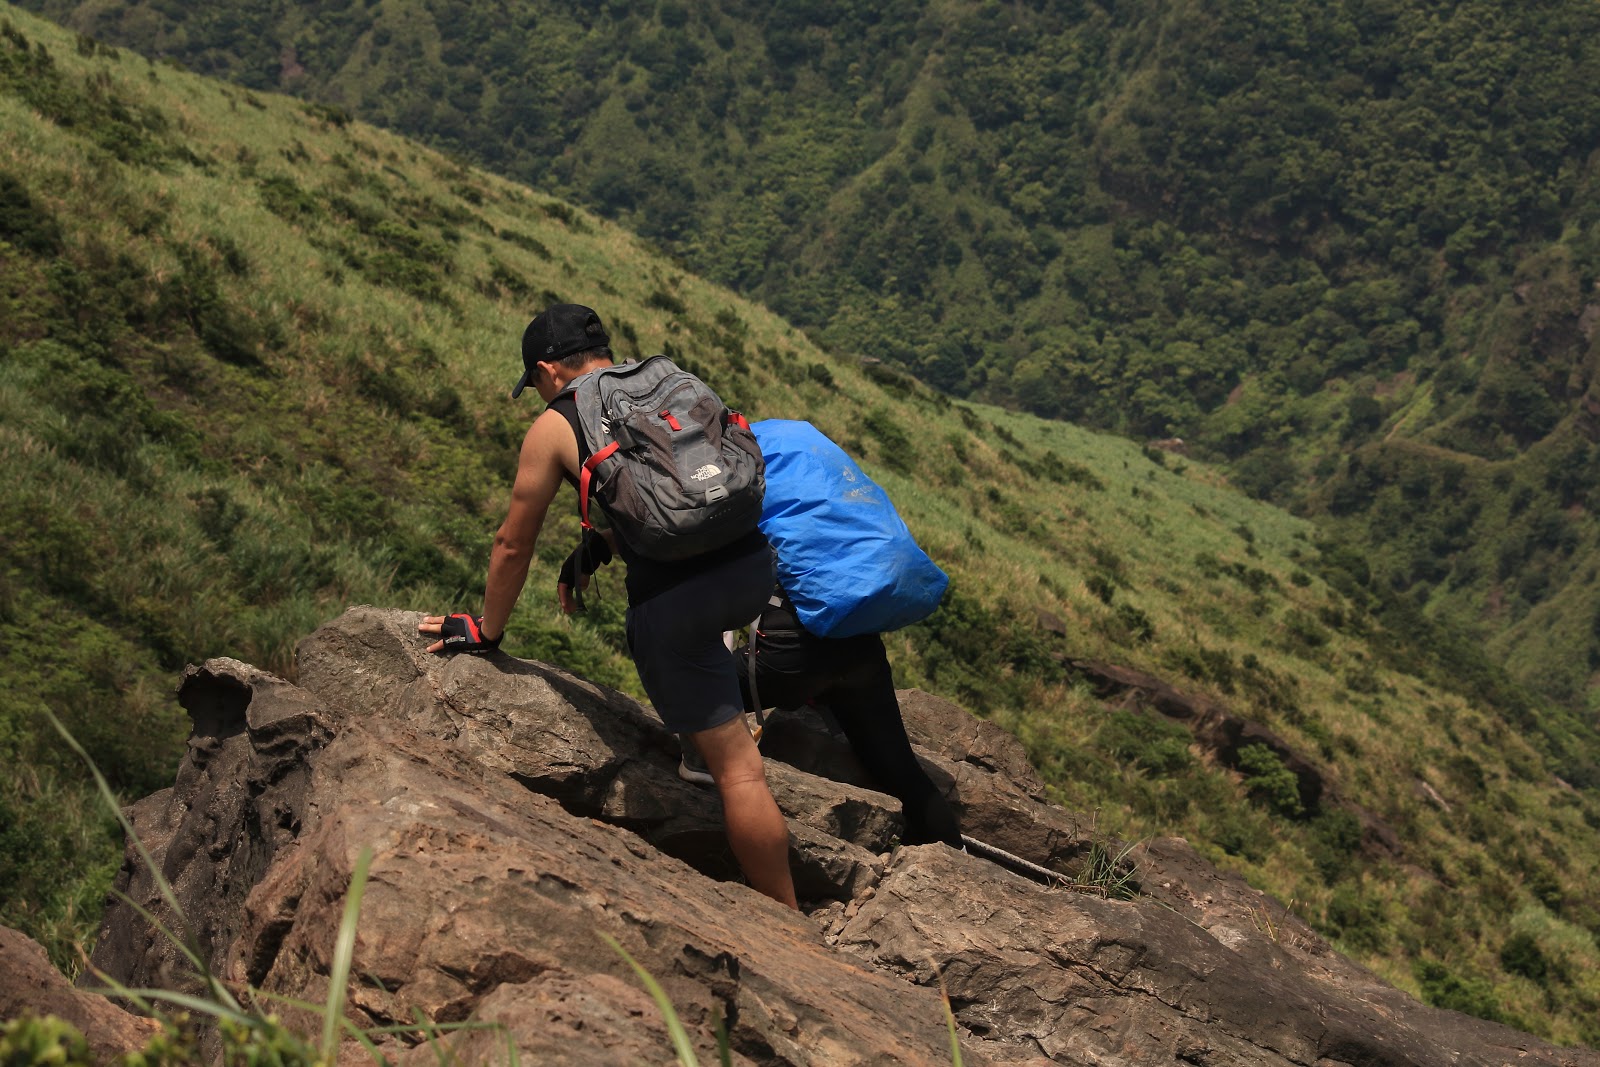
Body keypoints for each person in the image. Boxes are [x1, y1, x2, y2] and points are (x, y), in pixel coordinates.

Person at [419, 303, 798, 910]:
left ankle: (787, 919)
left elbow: (513, 544)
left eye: (535, 383)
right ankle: (701, 728)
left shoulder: (558, 421)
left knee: (740, 774)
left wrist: (486, 631)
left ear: (546, 369)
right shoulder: (663, 381)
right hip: (753, 570)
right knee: (712, 703)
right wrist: (598, 544)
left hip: (676, 606)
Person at [721, 585, 963, 849]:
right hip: (860, 652)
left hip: (791, 651)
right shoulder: (840, 545)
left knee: (690, 689)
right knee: (902, 770)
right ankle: (956, 860)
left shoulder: (771, 542)